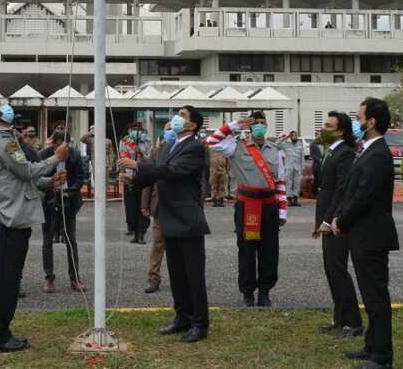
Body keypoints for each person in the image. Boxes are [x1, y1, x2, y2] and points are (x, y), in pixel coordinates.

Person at [0, 95, 67, 353]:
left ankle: (1, 331)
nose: (5, 108)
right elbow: (26, 171)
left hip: (12, 214)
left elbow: (19, 179)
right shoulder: (1, 140)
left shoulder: (5, 137)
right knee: (5, 279)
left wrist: (49, 183)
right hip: (9, 218)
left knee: (9, 276)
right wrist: (55, 157)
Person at [119, 106, 210, 344]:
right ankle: (182, 317)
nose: (176, 119)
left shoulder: (195, 147)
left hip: (187, 219)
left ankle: (200, 323)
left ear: (192, 125)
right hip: (167, 216)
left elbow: (171, 171)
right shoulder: (168, 146)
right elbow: (155, 172)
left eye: (182, 116)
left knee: (194, 275)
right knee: (177, 273)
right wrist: (133, 177)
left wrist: (136, 166)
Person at [333, 97, 398, 369]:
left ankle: (382, 356)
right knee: (370, 295)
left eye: (359, 117)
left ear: (371, 122)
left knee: (376, 296)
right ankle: (371, 346)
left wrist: (342, 221)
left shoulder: (379, 153)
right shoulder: (368, 150)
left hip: (371, 235)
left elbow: (363, 196)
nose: (356, 122)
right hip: (363, 234)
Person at [206, 110, 287, 307]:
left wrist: (282, 211)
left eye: (262, 122)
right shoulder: (236, 146)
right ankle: (248, 292)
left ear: (267, 125)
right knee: (247, 251)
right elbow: (211, 142)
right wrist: (234, 126)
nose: (259, 125)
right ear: (249, 126)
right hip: (247, 205)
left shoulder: (276, 151)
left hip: (269, 205)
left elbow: (281, 183)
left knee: (270, 250)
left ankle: (265, 291)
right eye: (255, 122)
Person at [313, 112, 362, 338]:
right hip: (325, 216)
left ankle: (353, 322)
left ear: (340, 130)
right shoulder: (331, 150)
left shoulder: (345, 154)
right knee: (330, 269)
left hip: (335, 220)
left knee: (338, 269)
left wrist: (327, 219)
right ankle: (340, 317)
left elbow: (342, 190)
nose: (324, 128)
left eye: (328, 126)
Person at [39, 125, 87, 293]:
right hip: (49, 203)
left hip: (68, 202)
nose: (59, 147)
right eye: (56, 144)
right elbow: (37, 176)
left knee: (71, 241)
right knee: (47, 242)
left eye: (63, 144)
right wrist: (51, 187)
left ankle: (75, 279)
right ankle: (49, 278)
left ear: (68, 143)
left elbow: (81, 178)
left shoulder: (74, 155)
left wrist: (69, 190)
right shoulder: (44, 155)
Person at [141, 123, 174, 293]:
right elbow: (148, 179)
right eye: (167, 128)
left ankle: (180, 279)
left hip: (178, 207)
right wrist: (145, 204)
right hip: (159, 205)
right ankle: (153, 278)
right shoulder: (155, 152)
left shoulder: (185, 150)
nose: (170, 131)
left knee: (177, 245)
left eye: (173, 129)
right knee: (157, 243)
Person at [120, 122, 152, 244]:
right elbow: (123, 157)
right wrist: (126, 174)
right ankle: (133, 231)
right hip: (130, 178)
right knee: (131, 207)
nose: (135, 131)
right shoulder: (125, 142)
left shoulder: (147, 142)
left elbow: (151, 160)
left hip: (144, 177)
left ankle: (141, 233)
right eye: (133, 128)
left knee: (143, 206)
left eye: (138, 129)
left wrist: (141, 154)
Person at [278, 130, 304, 206]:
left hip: (297, 168)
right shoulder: (286, 144)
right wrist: (284, 138)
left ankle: (295, 199)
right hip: (288, 167)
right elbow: (276, 145)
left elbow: (302, 157)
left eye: (295, 135)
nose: (294, 137)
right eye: (292, 135)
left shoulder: (300, 144)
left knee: (297, 183)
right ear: (290, 136)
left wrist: (302, 167)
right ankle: (288, 199)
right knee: (288, 183)